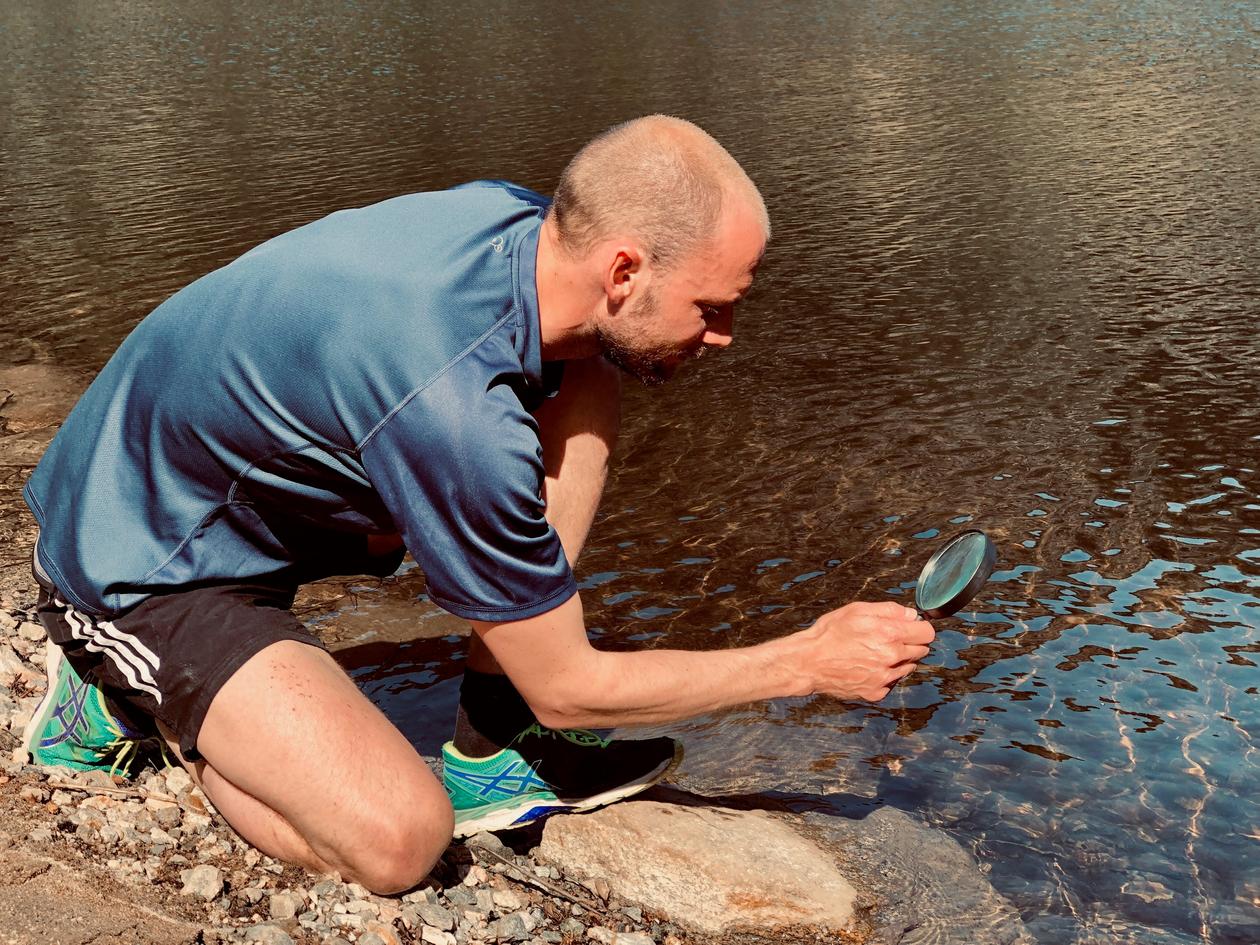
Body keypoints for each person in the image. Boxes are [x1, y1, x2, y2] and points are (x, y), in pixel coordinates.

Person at [21, 116, 935, 894]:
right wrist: (804, 660)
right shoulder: (454, 408)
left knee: (589, 362)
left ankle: (495, 740)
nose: (726, 336)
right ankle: (122, 694)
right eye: (711, 307)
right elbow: (573, 689)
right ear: (624, 268)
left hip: (232, 491)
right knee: (399, 839)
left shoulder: (521, 227)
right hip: (140, 562)